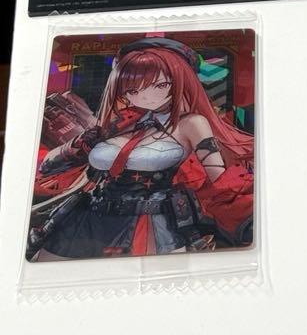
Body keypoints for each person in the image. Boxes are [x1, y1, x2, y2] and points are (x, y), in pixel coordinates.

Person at [28, 38, 254, 260]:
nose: (145, 96)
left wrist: (250, 218)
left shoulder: (191, 123)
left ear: (181, 81)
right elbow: (48, 166)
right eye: (133, 89)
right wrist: (80, 143)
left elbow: (220, 180)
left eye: (160, 85)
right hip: (89, 215)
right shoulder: (118, 123)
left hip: (149, 222)